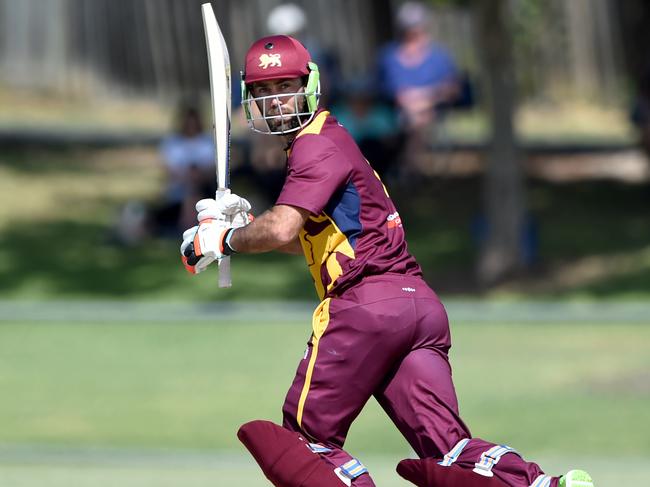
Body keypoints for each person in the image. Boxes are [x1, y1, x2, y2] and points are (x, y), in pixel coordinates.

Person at [178, 35, 594, 487]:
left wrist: (222, 239)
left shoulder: (314, 145)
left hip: (365, 307)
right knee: (448, 448)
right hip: (417, 307)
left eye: (285, 86)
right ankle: (542, 484)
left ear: (310, 85)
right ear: (249, 98)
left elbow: (281, 229)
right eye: (263, 91)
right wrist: (242, 227)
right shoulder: (333, 142)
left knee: (305, 440)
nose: (276, 101)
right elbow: (303, 237)